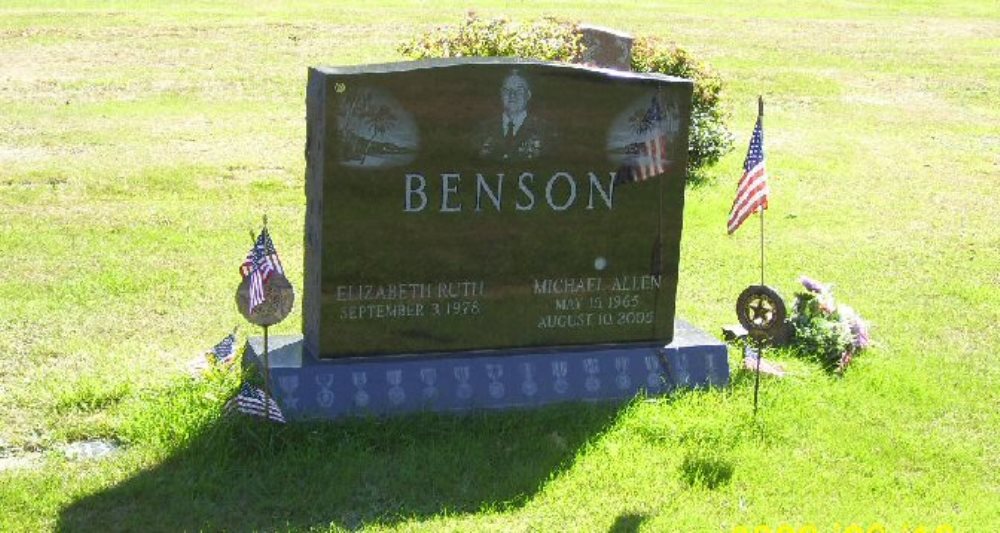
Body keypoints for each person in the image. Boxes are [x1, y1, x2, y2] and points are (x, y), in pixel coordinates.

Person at [476, 70, 552, 162]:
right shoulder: (483, 129)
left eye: (519, 91)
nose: (512, 95)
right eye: (507, 90)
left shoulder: (545, 130)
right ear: (501, 94)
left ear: (528, 95)